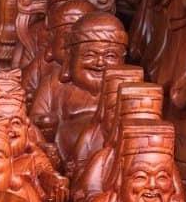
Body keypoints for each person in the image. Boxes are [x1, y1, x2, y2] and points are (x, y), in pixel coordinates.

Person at [30, 12, 127, 166]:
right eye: (89, 55)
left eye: (110, 56)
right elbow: (33, 121)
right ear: (71, 57)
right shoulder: (53, 84)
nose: (100, 63)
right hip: (60, 157)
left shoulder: (128, 90)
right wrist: (45, 125)